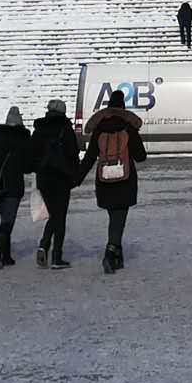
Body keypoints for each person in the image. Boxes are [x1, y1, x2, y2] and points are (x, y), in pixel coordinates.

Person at [78, 89, 147, 274]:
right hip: (125, 178)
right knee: (120, 216)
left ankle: (118, 256)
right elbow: (141, 156)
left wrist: (77, 178)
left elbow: (90, 157)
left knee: (114, 217)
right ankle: (110, 252)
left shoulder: (99, 129)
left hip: (104, 180)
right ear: (123, 107)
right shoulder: (128, 128)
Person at [0, 106, 32, 269]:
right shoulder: (23, 140)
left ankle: (6, 255)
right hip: (13, 185)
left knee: (5, 218)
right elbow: (27, 165)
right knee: (8, 220)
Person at [32, 99, 81, 269]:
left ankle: (43, 245)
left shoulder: (39, 129)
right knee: (60, 217)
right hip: (61, 177)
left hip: (44, 178)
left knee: (54, 214)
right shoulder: (65, 129)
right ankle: (56, 257)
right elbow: (73, 153)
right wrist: (76, 175)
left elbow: (33, 153)